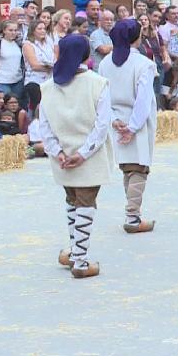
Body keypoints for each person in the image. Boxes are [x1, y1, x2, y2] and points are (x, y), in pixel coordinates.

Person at [40, 35, 113, 279]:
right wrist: (83, 154)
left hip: (62, 156)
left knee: (72, 201)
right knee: (85, 204)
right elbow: (102, 126)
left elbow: (45, 126)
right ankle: (80, 260)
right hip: (87, 157)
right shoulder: (98, 83)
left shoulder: (48, 87)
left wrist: (58, 152)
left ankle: (74, 251)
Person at [98, 19, 158, 234]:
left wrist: (114, 120)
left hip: (117, 120)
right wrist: (132, 127)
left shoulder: (105, 63)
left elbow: (102, 96)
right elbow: (143, 100)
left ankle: (133, 212)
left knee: (128, 167)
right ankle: (132, 216)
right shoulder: (145, 63)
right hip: (137, 122)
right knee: (139, 167)